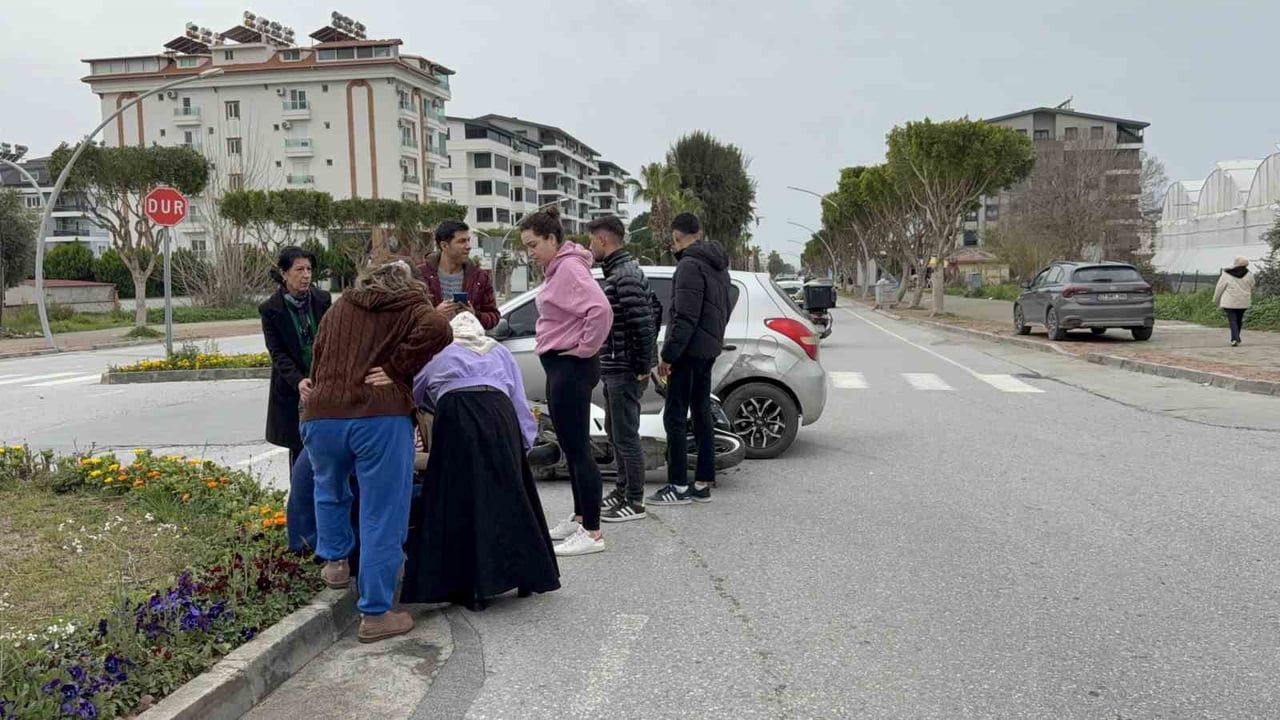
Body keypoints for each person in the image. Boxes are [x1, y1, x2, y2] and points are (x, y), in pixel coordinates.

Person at [301, 260, 452, 643]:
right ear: (407, 283)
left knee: (330, 489)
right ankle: (376, 612)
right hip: (378, 416)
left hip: (322, 414)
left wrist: (319, 385)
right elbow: (440, 327)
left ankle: (336, 564)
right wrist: (397, 367)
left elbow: (318, 353)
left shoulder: (339, 307)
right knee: (382, 512)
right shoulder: (410, 305)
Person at [398, 311, 560, 611]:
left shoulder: (437, 350)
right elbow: (518, 399)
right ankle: (524, 576)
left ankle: (473, 586)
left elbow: (413, 394)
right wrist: (523, 443)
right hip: (500, 414)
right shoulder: (498, 351)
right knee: (512, 495)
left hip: (457, 416)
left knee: (462, 497)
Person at [520, 206, 613, 557]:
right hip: (561, 365)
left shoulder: (570, 268)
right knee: (572, 447)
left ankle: (592, 531)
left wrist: (583, 348)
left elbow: (600, 310)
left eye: (533, 245)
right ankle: (580, 517)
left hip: (570, 366)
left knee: (578, 449)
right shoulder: (557, 268)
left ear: (552, 239)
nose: (529, 252)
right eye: (526, 246)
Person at [647, 213, 731, 507]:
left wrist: (668, 356)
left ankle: (679, 485)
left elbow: (684, 317)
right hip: (708, 350)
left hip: (687, 352)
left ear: (677, 237)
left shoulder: (688, 266)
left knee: (674, 416)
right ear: (701, 232)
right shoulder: (719, 266)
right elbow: (723, 309)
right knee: (701, 413)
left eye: (674, 240)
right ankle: (703, 481)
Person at [587, 215, 661, 523]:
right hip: (616, 365)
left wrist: (644, 364)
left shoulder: (624, 274)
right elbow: (655, 307)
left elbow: (645, 320)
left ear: (603, 240)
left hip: (625, 369)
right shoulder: (619, 271)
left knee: (626, 436)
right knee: (617, 432)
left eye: (591, 241)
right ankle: (622, 490)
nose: (589, 247)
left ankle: (635, 500)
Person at [258, 246, 331, 554]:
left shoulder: (323, 300)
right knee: (300, 463)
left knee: (326, 460)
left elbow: (333, 340)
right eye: (299, 270)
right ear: (284, 273)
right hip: (292, 393)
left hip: (324, 387)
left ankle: (325, 530)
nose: (305, 276)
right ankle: (301, 538)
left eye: (309, 270)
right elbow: (278, 354)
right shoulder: (271, 309)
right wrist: (298, 380)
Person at [416, 219, 500, 329]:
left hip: (468, 344)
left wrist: (474, 315)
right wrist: (434, 315)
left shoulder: (480, 277)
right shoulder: (419, 275)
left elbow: (494, 317)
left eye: (468, 240)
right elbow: (406, 318)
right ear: (444, 246)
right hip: (432, 344)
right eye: (462, 241)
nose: (468, 246)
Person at [1214, 256, 1257, 347]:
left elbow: (1219, 288)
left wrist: (1216, 300)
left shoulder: (1226, 274)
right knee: (1239, 320)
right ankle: (1236, 337)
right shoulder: (1249, 274)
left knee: (1232, 320)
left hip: (1229, 302)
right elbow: (1252, 286)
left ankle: (1235, 338)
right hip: (1243, 301)